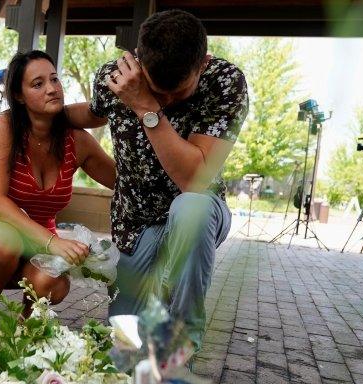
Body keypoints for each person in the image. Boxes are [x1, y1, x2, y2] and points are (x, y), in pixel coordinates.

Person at [66, 10, 249, 357]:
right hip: (136, 224)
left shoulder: (224, 82)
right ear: (137, 63)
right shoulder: (116, 78)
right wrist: (38, 114)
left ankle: (180, 341)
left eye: (177, 92)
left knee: (191, 206)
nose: (166, 100)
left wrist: (146, 106)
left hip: (196, 213)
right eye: (156, 90)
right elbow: (92, 112)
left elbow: (193, 181)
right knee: (123, 352)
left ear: (203, 63)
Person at [0, 50, 116, 317]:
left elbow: (124, 183)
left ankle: (24, 325)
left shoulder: (77, 141)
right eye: (38, 84)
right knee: (3, 242)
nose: (52, 88)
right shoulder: (6, 126)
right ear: (19, 95)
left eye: (55, 79)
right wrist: (52, 242)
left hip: (39, 244)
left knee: (52, 282)